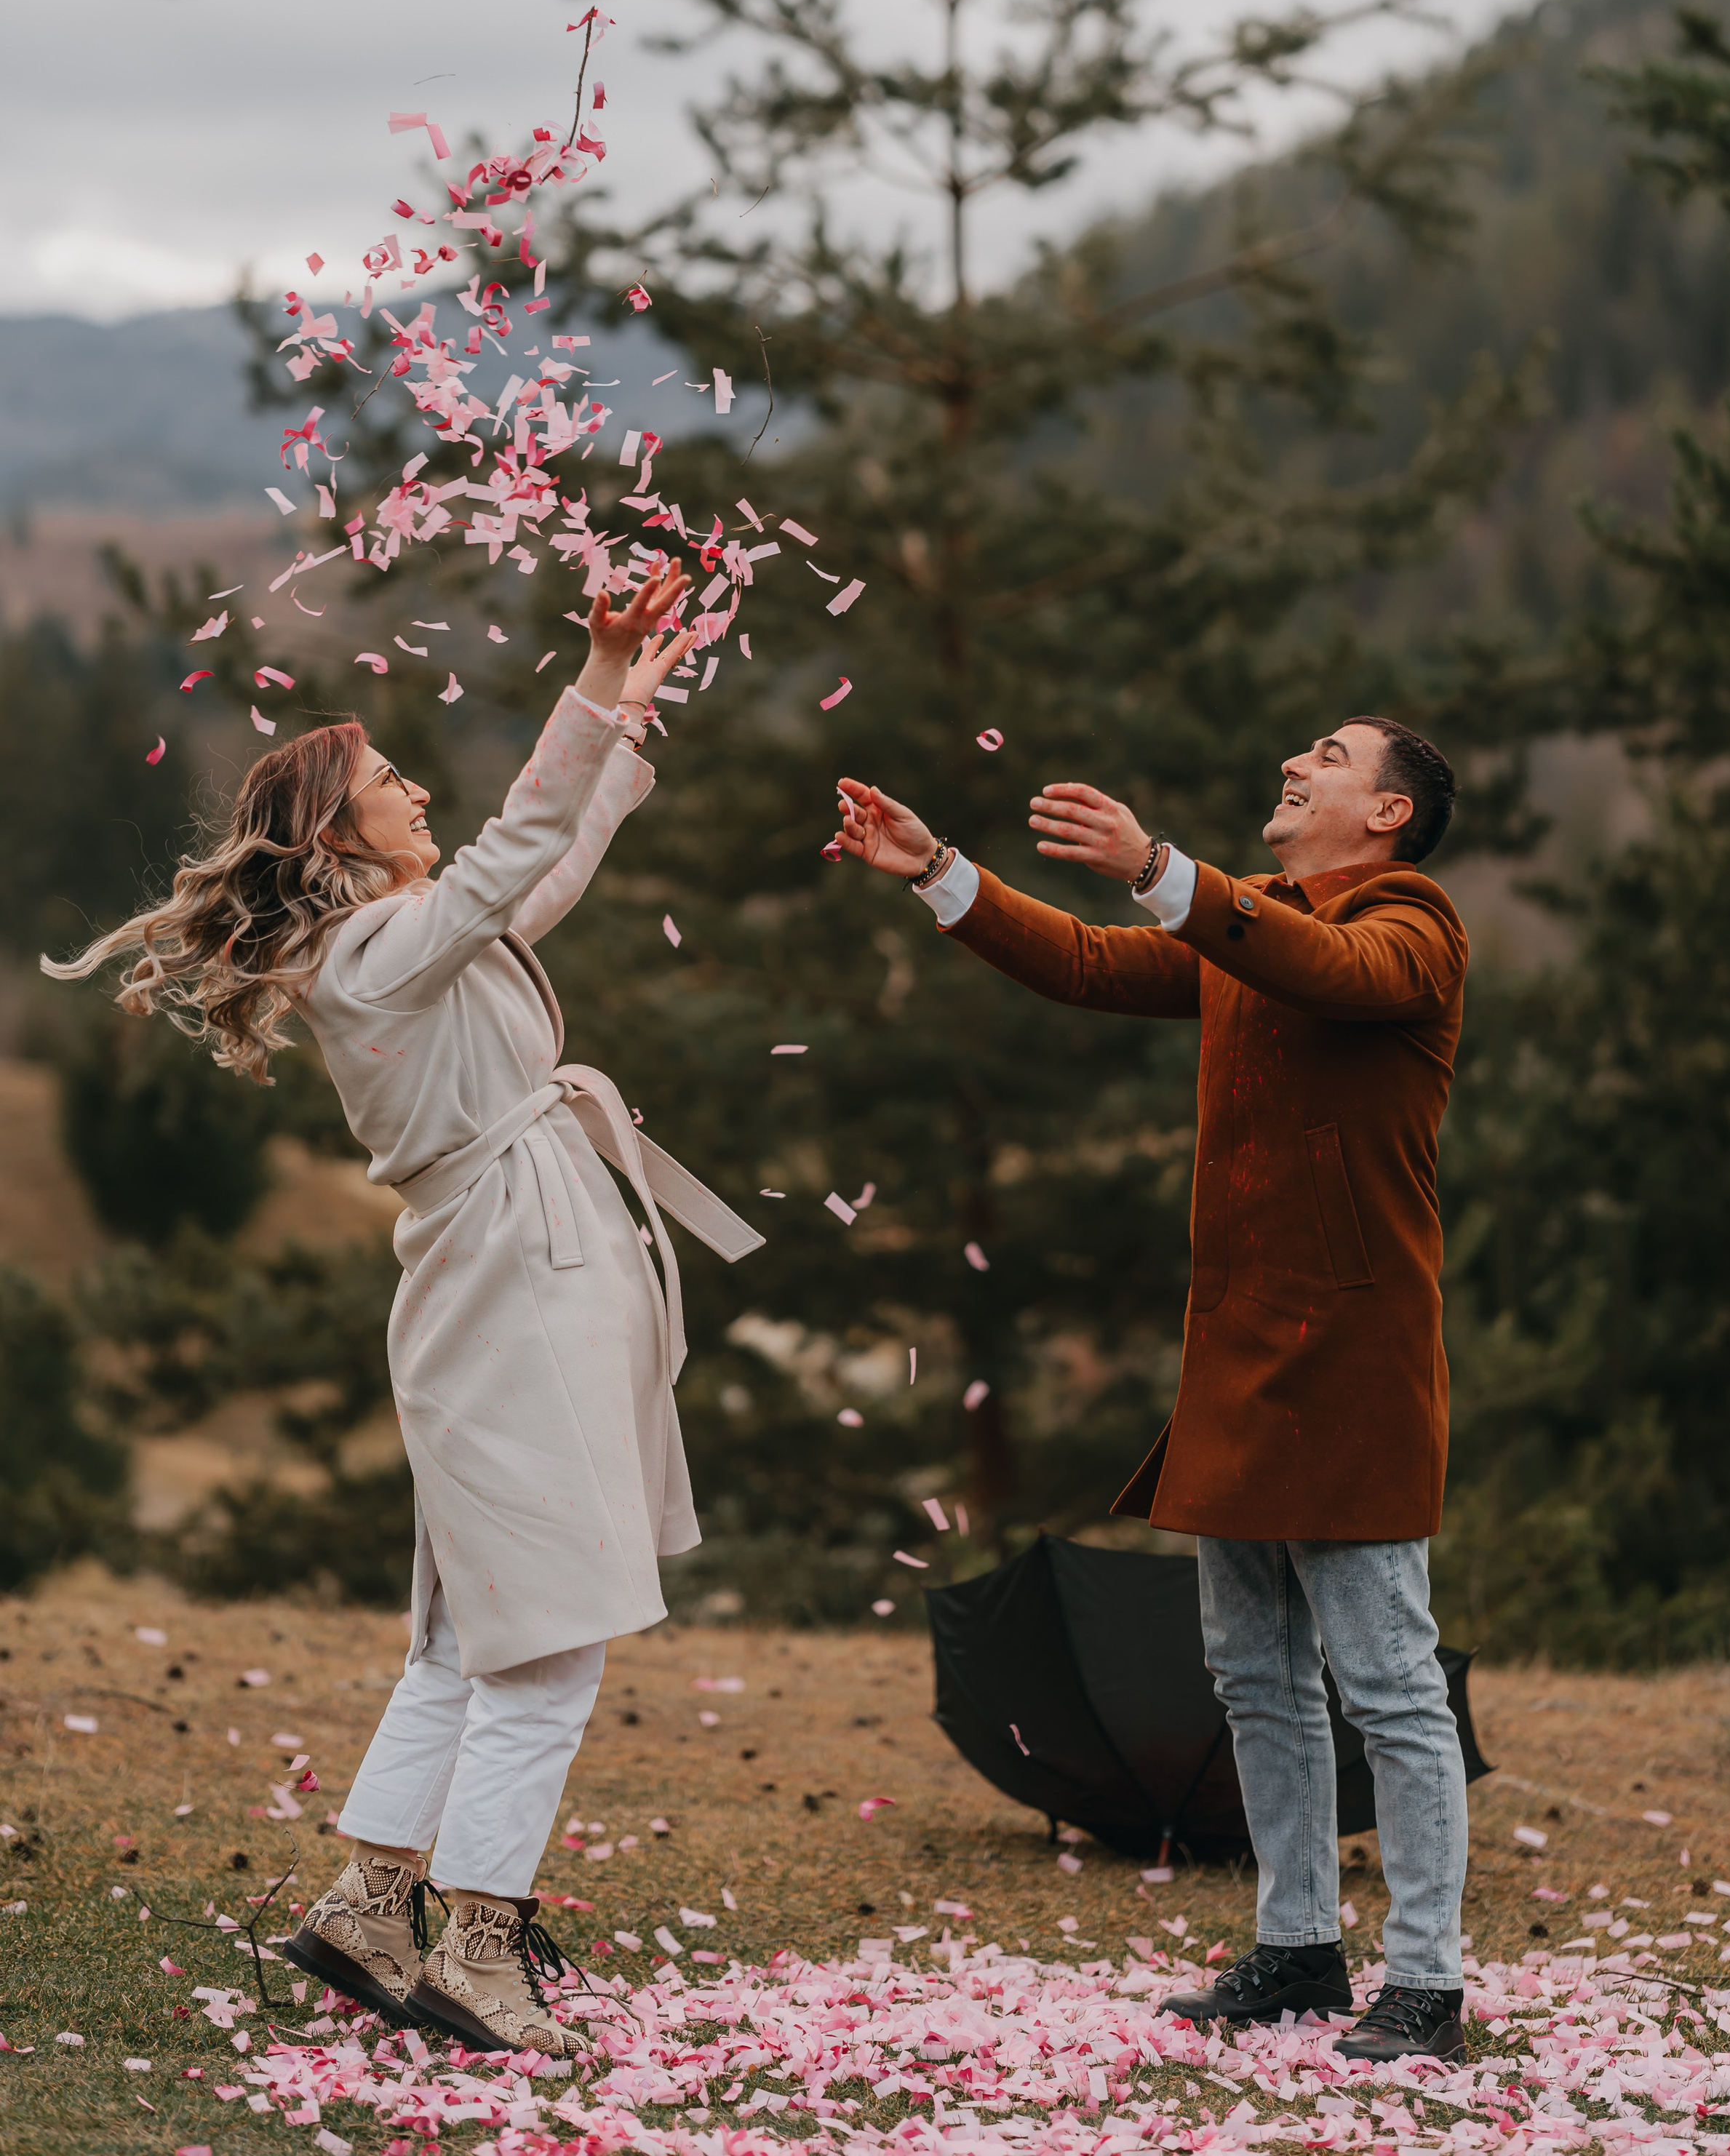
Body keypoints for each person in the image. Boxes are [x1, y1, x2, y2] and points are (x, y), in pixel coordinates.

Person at [49, 572, 713, 2056]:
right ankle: (477, 1952)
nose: (419, 792)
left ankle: (368, 1904)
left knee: (474, 1627)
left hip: (510, 1262)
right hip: (512, 1274)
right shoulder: (372, 951)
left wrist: (622, 725)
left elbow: (537, 878)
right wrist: (592, 675)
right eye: (393, 783)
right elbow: (510, 859)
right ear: (342, 837)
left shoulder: (407, 938)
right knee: (548, 1635)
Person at [834, 719, 1472, 2066]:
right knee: (1254, 1679)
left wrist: (1158, 867)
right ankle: (1298, 1951)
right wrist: (938, 869)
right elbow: (1085, 962)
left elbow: (1326, 968)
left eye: (1331, 755)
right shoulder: (1255, 923)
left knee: (1390, 1686)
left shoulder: (1414, 926)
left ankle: (1427, 1984)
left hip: (1353, 1365)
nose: (1294, 761)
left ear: (1390, 814)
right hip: (1237, 1358)